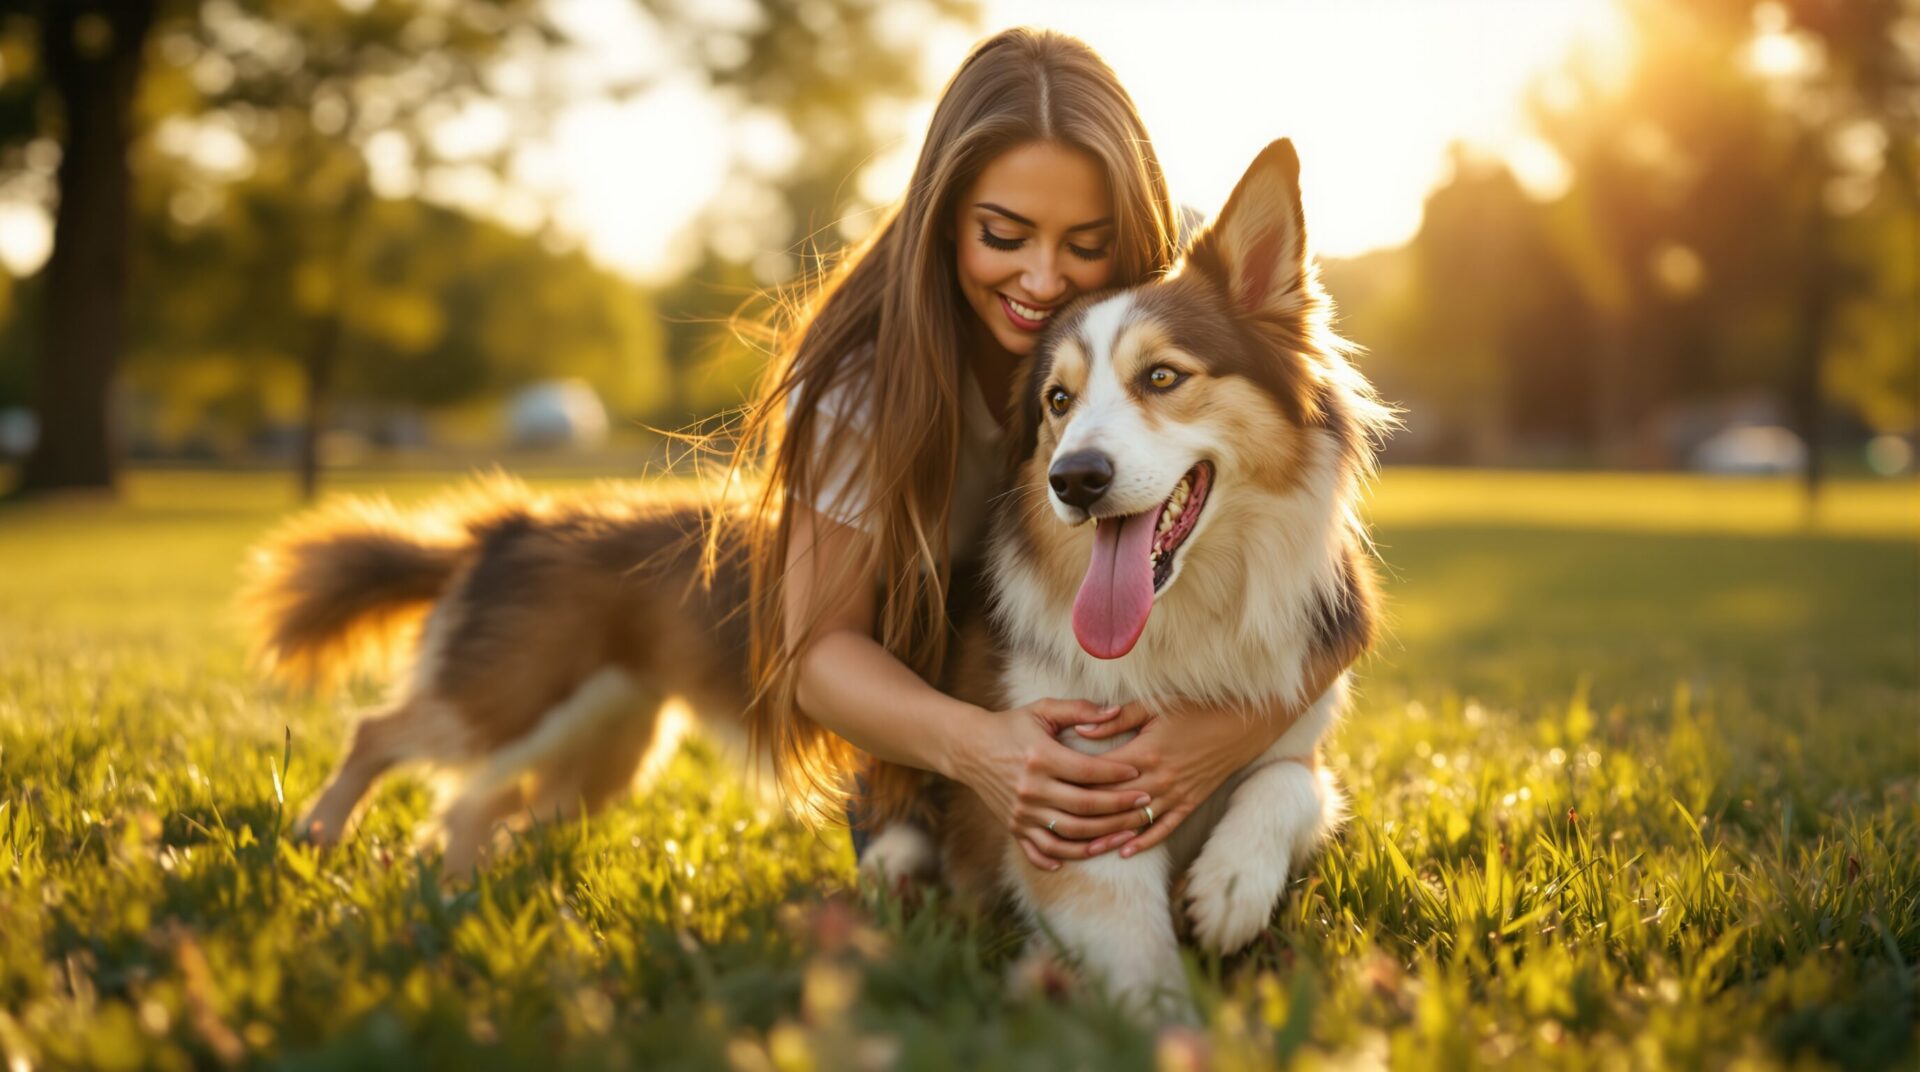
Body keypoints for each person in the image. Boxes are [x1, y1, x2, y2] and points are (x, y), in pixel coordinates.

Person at [726, 27, 1304, 873]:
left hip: (1132, 687)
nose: (1041, 280)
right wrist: (987, 751)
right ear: (945, 218)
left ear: (1132, 230)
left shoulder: (1177, 308)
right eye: (1004, 236)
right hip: (931, 736)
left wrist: (1221, 738)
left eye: (1084, 245)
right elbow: (819, 657)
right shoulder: (860, 387)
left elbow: (1336, 616)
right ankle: (907, 825)